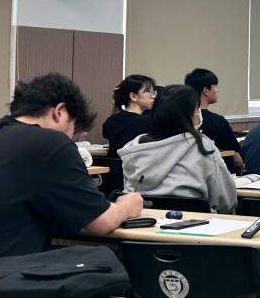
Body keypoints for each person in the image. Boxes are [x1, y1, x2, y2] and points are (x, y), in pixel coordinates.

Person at [0, 73, 143, 257]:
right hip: (1, 270)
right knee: (104, 261)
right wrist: (126, 206)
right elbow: (103, 222)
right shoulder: (52, 142)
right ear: (60, 111)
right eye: (73, 129)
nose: (71, 138)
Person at [118, 84, 237, 213]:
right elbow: (226, 201)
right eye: (197, 109)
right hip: (195, 222)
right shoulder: (201, 145)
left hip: (143, 220)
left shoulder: (134, 147)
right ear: (189, 114)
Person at [184, 68, 245, 172]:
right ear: (206, 90)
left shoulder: (181, 119)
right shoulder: (217, 121)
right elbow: (238, 158)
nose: (217, 90)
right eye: (215, 86)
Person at [102, 74, 156, 156]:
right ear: (133, 96)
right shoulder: (147, 121)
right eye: (149, 91)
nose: (153, 96)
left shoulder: (111, 120)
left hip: (115, 164)